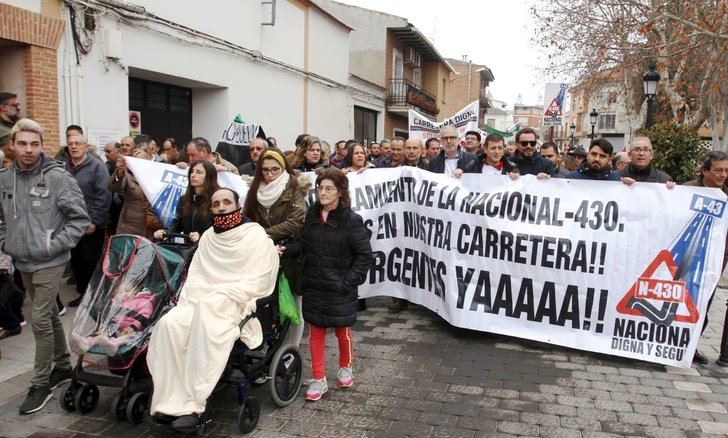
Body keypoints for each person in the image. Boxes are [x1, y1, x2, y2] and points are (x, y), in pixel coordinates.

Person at [147, 188, 279, 432]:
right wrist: (197, 299)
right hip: (200, 300)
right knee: (169, 325)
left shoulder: (254, 235)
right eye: (216, 203)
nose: (221, 207)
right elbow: (197, 276)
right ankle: (169, 401)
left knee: (206, 323)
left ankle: (195, 406)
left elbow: (259, 278)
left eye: (227, 202)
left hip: (232, 304)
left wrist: (226, 296)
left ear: (237, 205)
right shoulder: (208, 237)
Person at [0, 119, 90, 414]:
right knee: (49, 314)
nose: (29, 150)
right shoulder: (4, 178)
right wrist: (6, 242)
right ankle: (63, 366)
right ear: (12, 145)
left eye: (35, 144)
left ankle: (40, 383)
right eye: (23, 143)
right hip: (21, 259)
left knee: (39, 319)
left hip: (50, 260)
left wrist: (54, 244)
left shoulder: (58, 178)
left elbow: (79, 219)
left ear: (42, 146)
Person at [281, 168, 372, 402]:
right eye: (320, 187)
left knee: (343, 331)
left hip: (339, 288)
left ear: (340, 192)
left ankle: (345, 367)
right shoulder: (312, 216)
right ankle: (319, 379)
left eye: (328, 188)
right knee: (315, 334)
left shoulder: (352, 221)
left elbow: (364, 256)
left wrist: (347, 282)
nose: (322, 192)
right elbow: (302, 244)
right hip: (314, 286)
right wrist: (285, 249)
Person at [243, 148, 308, 347]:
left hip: (291, 254)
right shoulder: (255, 190)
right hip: (263, 255)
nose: (269, 175)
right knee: (268, 305)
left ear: (283, 168)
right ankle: (272, 346)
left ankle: (292, 348)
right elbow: (248, 217)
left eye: (275, 170)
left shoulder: (294, 187)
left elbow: (295, 222)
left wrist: (262, 234)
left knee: (294, 306)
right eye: (265, 170)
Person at [684, 151, 728, 365]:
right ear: (705, 171)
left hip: (716, 259)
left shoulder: (726, 195)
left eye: (726, 171)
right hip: (687, 257)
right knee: (685, 300)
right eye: (719, 170)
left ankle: (692, 345)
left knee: (705, 302)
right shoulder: (688, 190)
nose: (723, 175)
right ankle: (680, 344)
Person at [65, 133, 112, 307]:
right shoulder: (66, 166)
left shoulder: (97, 167)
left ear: (85, 146)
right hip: (71, 224)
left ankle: (93, 296)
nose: (74, 146)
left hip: (91, 226)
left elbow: (104, 195)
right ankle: (83, 292)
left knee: (89, 261)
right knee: (76, 261)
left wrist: (95, 220)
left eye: (78, 143)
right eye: (70, 143)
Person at [154, 160, 219, 243]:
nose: (193, 175)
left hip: (208, 249)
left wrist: (201, 236)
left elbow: (220, 230)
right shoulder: (184, 199)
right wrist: (166, 232)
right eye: (191, 171)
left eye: (199, 172)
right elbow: (178, 224)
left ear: (209, 176)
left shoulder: (217, 201)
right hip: (188, 250)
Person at [109, 149, 156, 237]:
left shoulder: (156, 177)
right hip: (129, 227)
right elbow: (114, 187)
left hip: (150, 226)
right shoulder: (127, 176)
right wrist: (120, 172)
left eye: (143, 161)